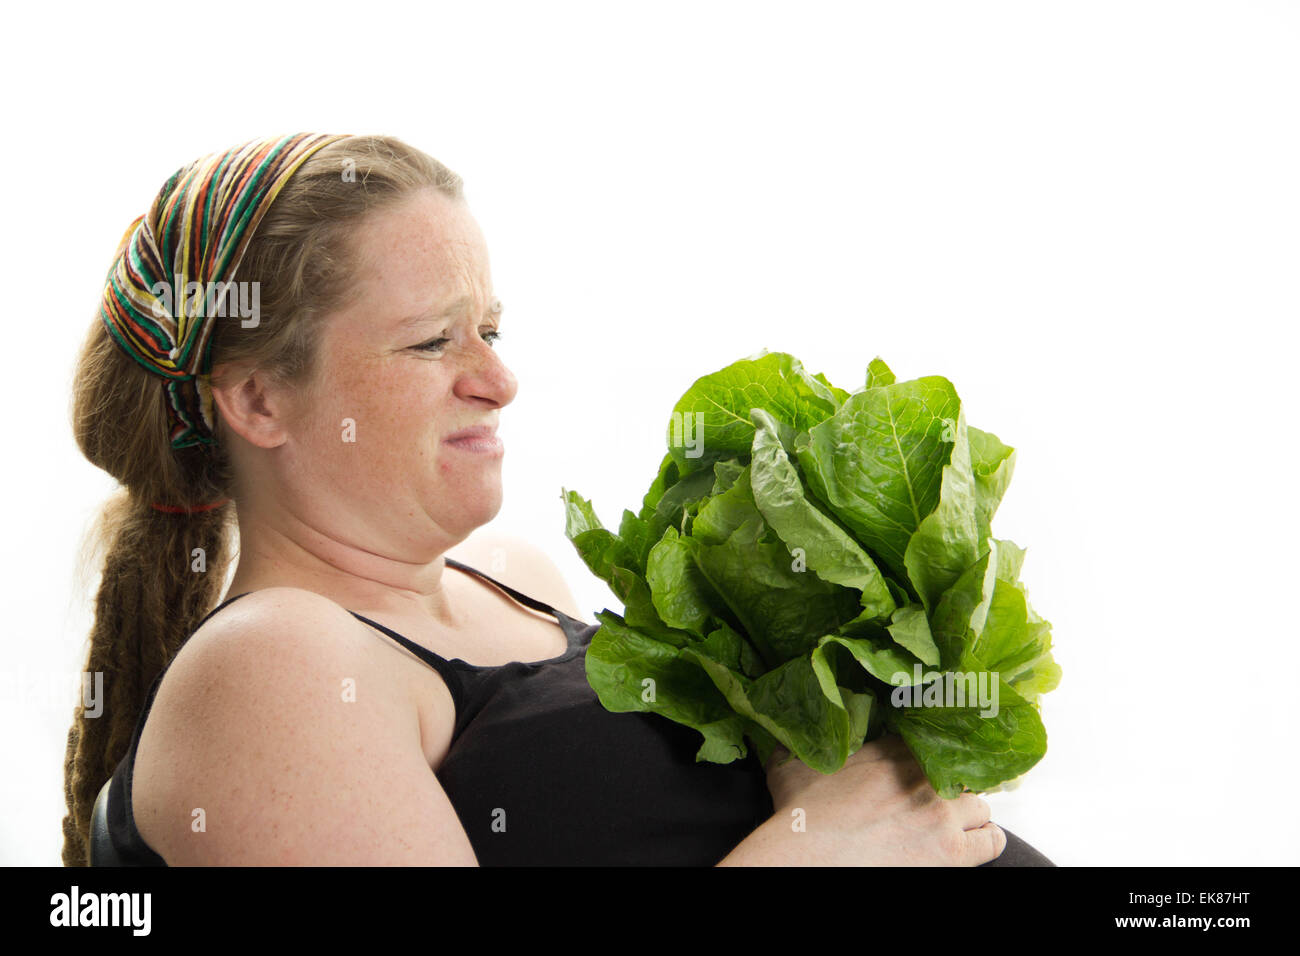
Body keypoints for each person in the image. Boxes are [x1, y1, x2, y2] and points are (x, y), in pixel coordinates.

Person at [61, 133, 1052, 867]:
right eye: (431, 340)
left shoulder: (515, 578)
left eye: (490, 327)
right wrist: (821, 841)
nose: (498, 379)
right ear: (257, 398)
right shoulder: (272, 661)